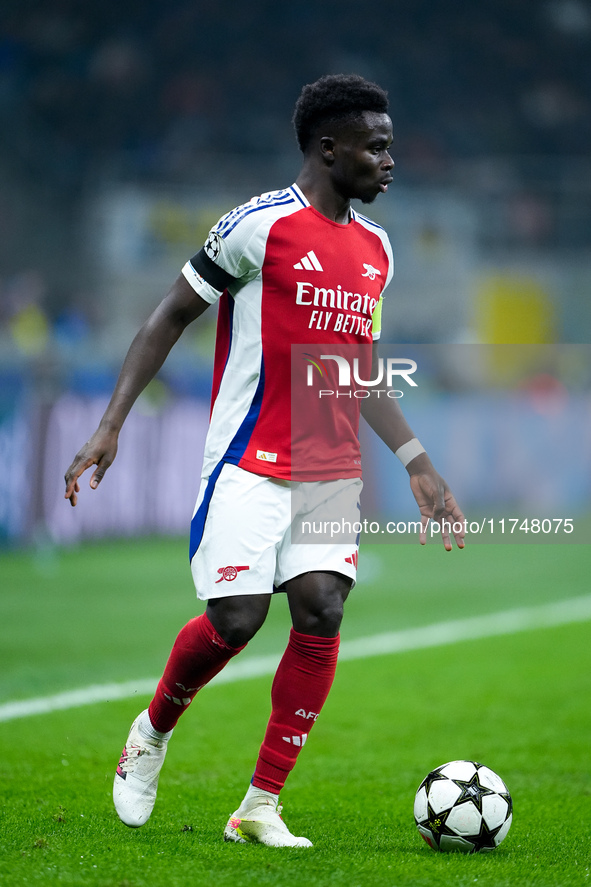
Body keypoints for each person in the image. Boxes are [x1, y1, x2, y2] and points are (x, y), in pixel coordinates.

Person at [64, 73, 465, 848]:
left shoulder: (377, 249)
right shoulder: (258, 227)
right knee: (236, 620)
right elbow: (168, 315)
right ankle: (150, 733)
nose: (390, 161)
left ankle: (259, 804)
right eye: (376, 147)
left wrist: (416, 460)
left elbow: (359, 365)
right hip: (248, 460)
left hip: (328, 468)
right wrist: (111, 424)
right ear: (328, 147)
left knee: (321, 608)